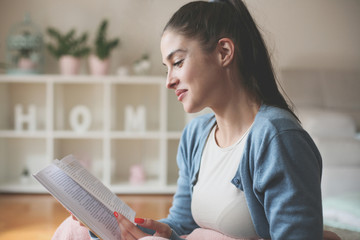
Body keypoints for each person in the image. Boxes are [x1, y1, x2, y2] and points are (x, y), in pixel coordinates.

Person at [88, 0, 325, 239]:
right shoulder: (196, 135)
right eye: (166, 68)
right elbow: (182, 225)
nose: (168, 81)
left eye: (178, 63)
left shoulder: (276, 137)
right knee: (76, 231)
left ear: (224, 52)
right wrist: (116, 228)